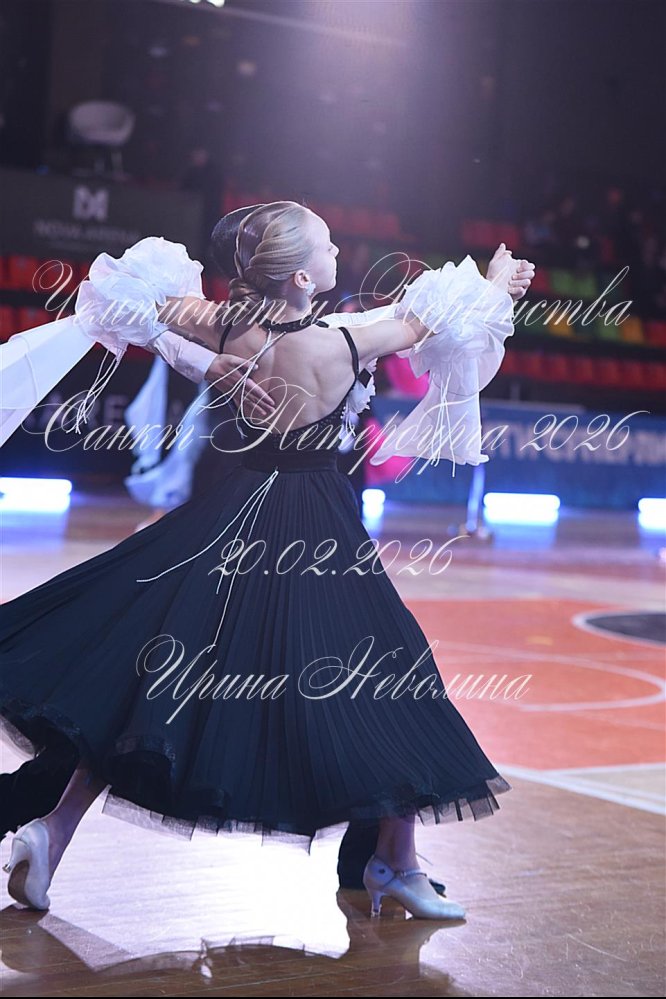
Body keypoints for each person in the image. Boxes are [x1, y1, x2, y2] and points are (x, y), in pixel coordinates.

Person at [0, 202, 532, 920]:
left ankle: (53, 831)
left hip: (231, 511)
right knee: (391, 675)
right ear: (304, 277)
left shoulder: (227, 325)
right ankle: (395, 863)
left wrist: (202, 360)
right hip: (315, 527)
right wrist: (495, 282)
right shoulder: (340, 342)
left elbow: (121, 297)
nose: (340, 250)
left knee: (149, 682)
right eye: (328, 244)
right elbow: (432, 320)